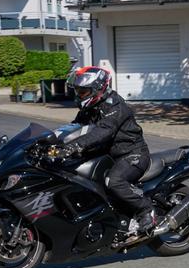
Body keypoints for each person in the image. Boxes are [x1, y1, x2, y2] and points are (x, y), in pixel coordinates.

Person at [57, 66, 157, 232]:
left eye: (83, 91)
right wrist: (54, 142)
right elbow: (74, 127)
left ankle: (147, 210)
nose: (79, 95)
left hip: (132, 154)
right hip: (108, 155)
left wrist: (75, 146)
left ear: (97, 89)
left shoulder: (115, 106)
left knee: (114, 181)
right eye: (78, 91)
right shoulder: (91, 107)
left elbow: (103, 131)